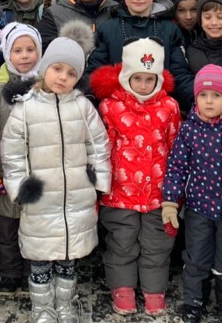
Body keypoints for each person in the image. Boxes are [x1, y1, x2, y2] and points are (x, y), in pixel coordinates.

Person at [0, 35, 112, 323]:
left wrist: (98, 181)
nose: (63, 77)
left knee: (67, 259)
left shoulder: (83, 107)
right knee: (40, 260)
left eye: (71, 73)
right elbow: (12, 153)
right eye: (57, 69)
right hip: (40, 200)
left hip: (76, 198)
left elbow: (98, 144)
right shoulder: (25, 108)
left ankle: (64, 305)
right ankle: (42, 309)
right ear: (45, 67)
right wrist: (20, 188)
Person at [91, 38, 181, 316]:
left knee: (157, 245)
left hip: (158, 195)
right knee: (122, 244)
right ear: (125, 76)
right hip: (120, 193)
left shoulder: (169, 107)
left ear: (159, 78)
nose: (143, 85)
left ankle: (154, 289)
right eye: (137, 78)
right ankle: (123, 287)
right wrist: (100, 187)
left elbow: (175, 149)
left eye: (149, 79)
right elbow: (101, 147)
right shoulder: (111, 106)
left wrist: (175, 193)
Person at [162, 66, 222, 323]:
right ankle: (194, 300)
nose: (209, 101)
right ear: (195, 98)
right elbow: (176, 166)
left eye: (216, 95)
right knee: (196, 257)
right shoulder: (189, 129)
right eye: (203, 95)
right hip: (198, 208)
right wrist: (170, 201)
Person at [0, 23, 46, 295]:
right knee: (6, 230)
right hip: (6, 174)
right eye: (18, 50)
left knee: (35, 228)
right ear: (7, 53)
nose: (25, 55)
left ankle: (33, 270)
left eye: (31, 49)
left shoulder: (46, 85)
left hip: (37, 173)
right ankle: (10, 273)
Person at [87, 0, 188, 77]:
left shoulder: (170, 29)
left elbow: (179, 74)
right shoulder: (108, 29)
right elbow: (95, 73)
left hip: (160, 94)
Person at [157, 0, 222, 52]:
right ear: (172, 11)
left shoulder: (211, 32)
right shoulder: (164, 35)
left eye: (194, 9)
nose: (188, 17)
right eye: (181, 10)